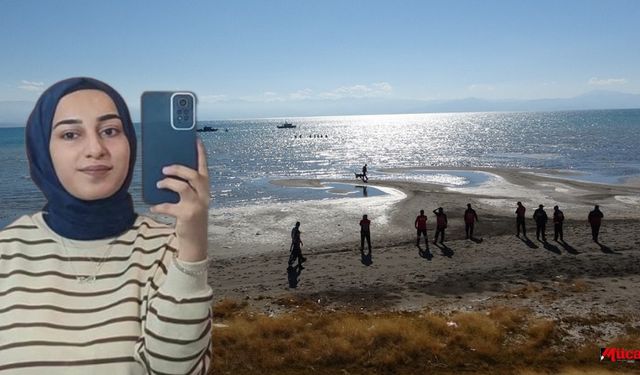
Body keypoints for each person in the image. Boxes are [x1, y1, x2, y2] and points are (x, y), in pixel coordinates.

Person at [0, 78, 212, 374]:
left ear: (130, 143)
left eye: (110, 131)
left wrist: (193, 241)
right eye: (71, 134)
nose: (95, 148)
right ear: (41, 150)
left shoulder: (168, 249)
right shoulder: (6, 251)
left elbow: (176, 370)